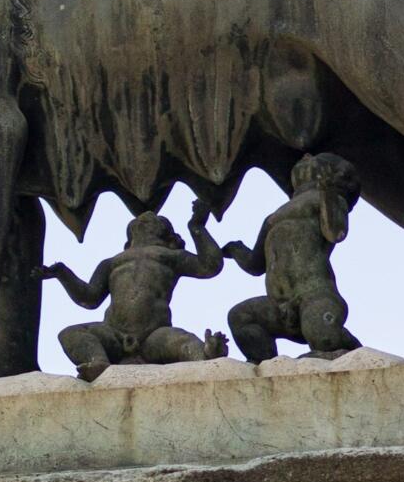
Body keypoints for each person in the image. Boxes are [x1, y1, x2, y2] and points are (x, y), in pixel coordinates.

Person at [41, 201, 230, 382]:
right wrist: (62, 273)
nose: (147, 216)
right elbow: (89, 297)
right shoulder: (112, 263)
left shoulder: (169, 256)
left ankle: (206, 354)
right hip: (114, 334)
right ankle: (98, 362)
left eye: (157, 220)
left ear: (167, 235)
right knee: (70, 333)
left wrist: (197, 226)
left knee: (183, 340)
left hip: (154, 336)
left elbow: (210, 266)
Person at [220, 153, 362, 361]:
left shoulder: (329, 198)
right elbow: (255, 264)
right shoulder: (274, 216)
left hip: (315, 295)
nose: (306, 156)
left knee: (324, 338)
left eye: (316, 158)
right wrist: (236, 250)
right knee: (240, 317)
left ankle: (355, 350)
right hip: (279, 305)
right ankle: (266, 367)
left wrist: (328, 194)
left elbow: (335, 232)